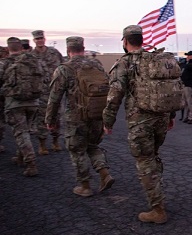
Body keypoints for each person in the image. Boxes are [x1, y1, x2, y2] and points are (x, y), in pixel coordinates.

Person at [103, 25, 175, 224]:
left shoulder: (124, 63)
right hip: (160, 117)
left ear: (125, 42)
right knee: (152, 156)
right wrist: (170, 116)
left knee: (144, 160)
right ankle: (157, 193)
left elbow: (115, 94)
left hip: (140, 120)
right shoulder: (156, 59)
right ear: (141, 40)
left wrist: (108, 120)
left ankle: (157, 209)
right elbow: (170, 89)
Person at [45, 36, 114, 197]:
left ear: (68, 51)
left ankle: (85, 185)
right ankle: (104, 174)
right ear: (83, 49)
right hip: (96, 114)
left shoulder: (64, 69)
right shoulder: (96, 65)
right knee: (93, 146)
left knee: (77, 150)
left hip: (75, 118)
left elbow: (54, 98)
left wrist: (50, 119)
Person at [0, 37, 44, 176]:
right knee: (26, 131)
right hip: (34, 101)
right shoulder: (33, 61)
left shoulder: (5, 63)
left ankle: (31, 164)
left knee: (21, 132)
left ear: (8, 48)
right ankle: (20, 157)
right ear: (20, 47)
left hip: (15, 102)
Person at [31, 30, 65, 155]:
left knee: (57, 117)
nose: (40, 40)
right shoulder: (31, 55)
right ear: (34, 40)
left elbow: (63, 67)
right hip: (40, 93)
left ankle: (55, 141)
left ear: (44, 39)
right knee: (41, 119)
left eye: (41, 38)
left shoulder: (54, 52)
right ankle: (42, 144)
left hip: (55, 90)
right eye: (37, 38)